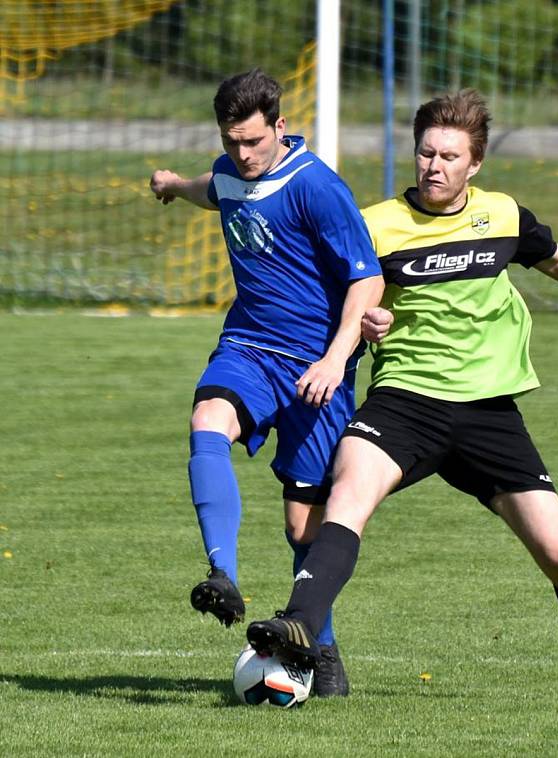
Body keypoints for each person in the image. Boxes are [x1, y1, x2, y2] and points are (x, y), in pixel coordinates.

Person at [246, 90, 558, 704]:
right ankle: (299, 628)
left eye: (449, 156)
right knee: (349, 493)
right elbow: (344, 301)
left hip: (488, 414)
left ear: (475, 164)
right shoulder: (375, 225)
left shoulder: (504, 216)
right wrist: (365, 328)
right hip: (406, 401)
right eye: (426, 153)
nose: (434, 166)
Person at [149, 68, 383, 697]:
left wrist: (336, 359)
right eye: (232, 142)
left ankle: (322, 652)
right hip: (249, 348)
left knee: (305, 527)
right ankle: (222, 573)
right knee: (206, 422)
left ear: (280, 126)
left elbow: (367, 281)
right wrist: (173, 185)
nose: (243, 155)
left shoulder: (319, 188)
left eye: (253, 142)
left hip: (315, 368)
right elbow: (213, 187)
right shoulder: (229, 170)